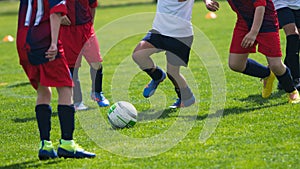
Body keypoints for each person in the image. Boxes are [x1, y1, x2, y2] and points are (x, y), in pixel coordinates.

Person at [16, 0, 95, 160]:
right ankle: (67, 144)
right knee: (66, 87)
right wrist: (53, 43)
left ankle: (45, 146)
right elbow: (55, 10)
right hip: (43, 41)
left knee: (43, 90)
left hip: (23, 41)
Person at [132, 0, 219, 108]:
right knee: (138, 54)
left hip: (180, 36)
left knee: (173, 73)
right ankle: (157, 76)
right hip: (159, 31)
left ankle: (187, 98)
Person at [217, 0, 300, 103]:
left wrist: (253, 32)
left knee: (276, 65)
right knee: (235, 64)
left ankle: (292, 90)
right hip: (244, 23)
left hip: (266, 22)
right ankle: (266, 74)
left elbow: (260, 7)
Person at [60, 0, 109, 111]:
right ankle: (77, 101)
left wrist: (90, 23)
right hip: (67, 31)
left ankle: (97, 93)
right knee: (73, 67)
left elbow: (92, 5)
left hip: (86, 28)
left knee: (96, 62)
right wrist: (59, 16)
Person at [272, 0, 300, 90]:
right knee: (293, 33)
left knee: (296, 41)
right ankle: (297, 78)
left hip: (297, 4)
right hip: (280, 4)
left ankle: (284, 77)